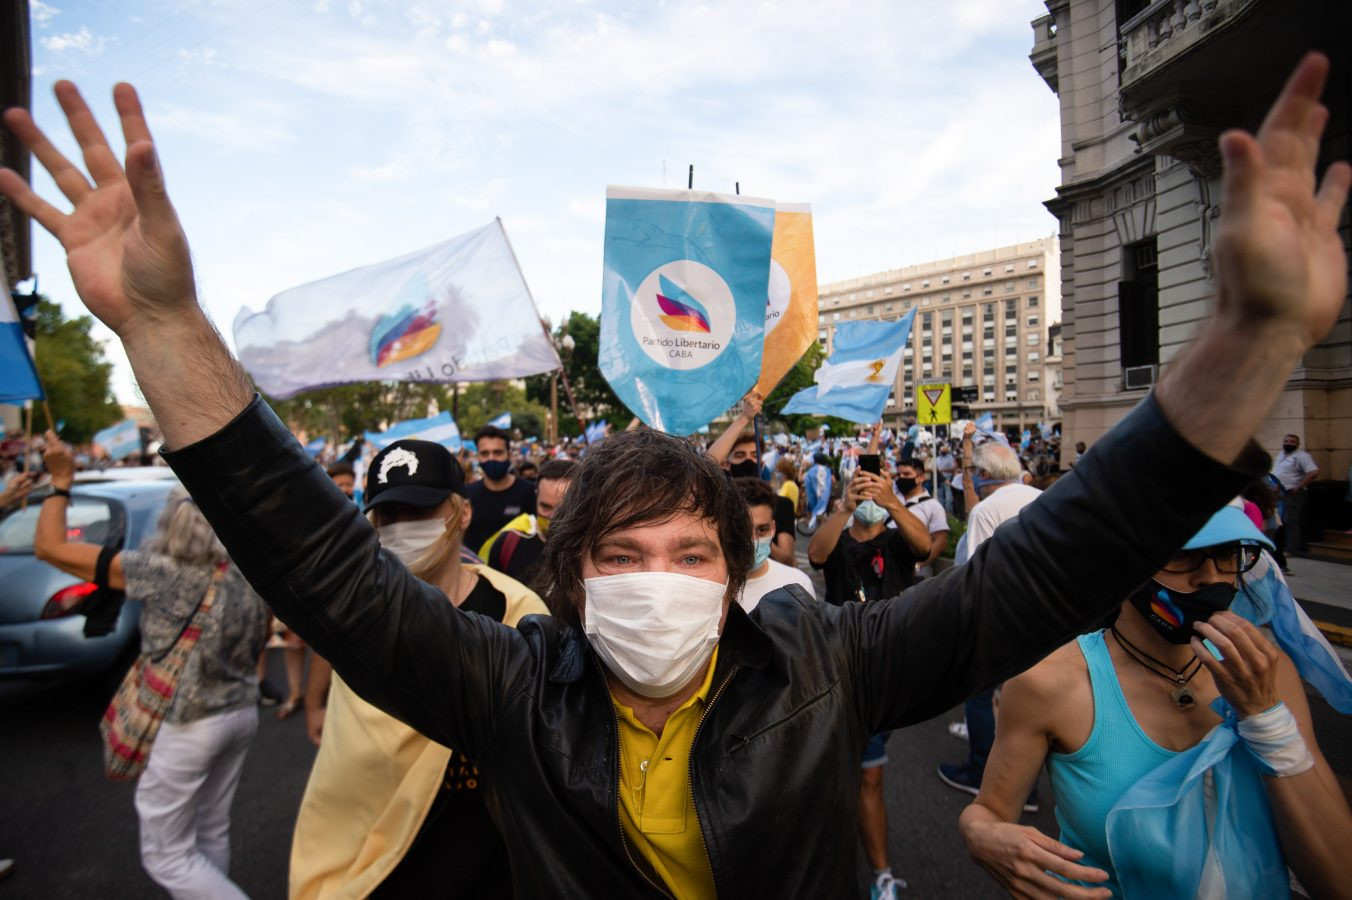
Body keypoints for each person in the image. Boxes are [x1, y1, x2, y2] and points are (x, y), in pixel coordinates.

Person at [3, 52, 1346, 895]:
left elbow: (1070, 553)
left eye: (693, 553)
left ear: (738, 568)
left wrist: (1252, 337)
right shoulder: (509, 688)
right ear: (569, 581)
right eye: (623, 556)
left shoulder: (826, 672)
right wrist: (168, 331)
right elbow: (321, 566)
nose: (659, 583)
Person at [958, 501, 1352, 898]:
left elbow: (1338, 879)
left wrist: (1264, 717)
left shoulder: (1264, 671)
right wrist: (980, 833)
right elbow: (991, 811)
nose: (1211, 577)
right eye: (1182, 554)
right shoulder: (1049, 682)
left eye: (1228, 554)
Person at [291, 439, 548, 899]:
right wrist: (313, 700)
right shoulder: (357, 608)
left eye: (420, 510)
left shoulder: (518, 608)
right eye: (389, 515)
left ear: (462, 513)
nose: (402, 527)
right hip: (375, 871)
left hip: (489, 863)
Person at [33, 432, 269, 899]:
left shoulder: (160, 573)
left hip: (189, 723)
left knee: (167, 854)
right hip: (240, 711)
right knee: (209, 831)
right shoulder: (249, 570)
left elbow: (51, 549)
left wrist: (61, 483)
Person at [939, 438, 1043, 802]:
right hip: (1041, 615)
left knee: (981, 696)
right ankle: (1025, 788)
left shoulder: (987, 510)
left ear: (984, 473)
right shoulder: (1039, 498)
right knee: (1023, 702)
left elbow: (977, 574)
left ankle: (980, 769)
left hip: (998, 617)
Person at [479, 458, 575, 586]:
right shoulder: (508, 544)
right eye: (545, 507)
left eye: (563, 508)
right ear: (536, 496)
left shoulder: (594, 548)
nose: (553, 517)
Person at [731, 477, 815, 613]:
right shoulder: (711, 587)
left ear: (773, 529)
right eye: (742, 529)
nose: (752, 540)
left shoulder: (798, 585)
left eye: (762, 530)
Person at [462, 424, 536, 552]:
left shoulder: (530, 492)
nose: (491, 458)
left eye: (498, 452)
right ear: (478, 456)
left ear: (509, 454)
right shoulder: (466, 493)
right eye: (485, 453)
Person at [890, 456, 949, 578]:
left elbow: (940, 540)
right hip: (888, 569)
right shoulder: (891, 498)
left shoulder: (933, 506)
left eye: (906, 474)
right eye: (898, 474)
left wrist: (920, 564)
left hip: (915, 575)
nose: (901, 478)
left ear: (921, 477)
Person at [1271, 433, 1319, 556]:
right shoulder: (1281, 455)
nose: (1288, 443)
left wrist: (1299, 486)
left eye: (1292, 442)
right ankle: (1278, 547)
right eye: (1286, 441)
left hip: (1292, 493)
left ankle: (1291, 549)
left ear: (1297, 444)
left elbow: (1313, 472)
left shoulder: (1302, 456)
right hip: (1279, 492)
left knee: (1290, 521)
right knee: (1279, 521)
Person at [803, 451, 834, 531]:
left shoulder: (811, 470)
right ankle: (820, 529)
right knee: (820, 511)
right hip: (824, 496)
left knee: (813, 509)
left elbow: (807, 483)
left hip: (812, 496)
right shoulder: (828, 470)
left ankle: (812, 525)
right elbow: (832, 481)